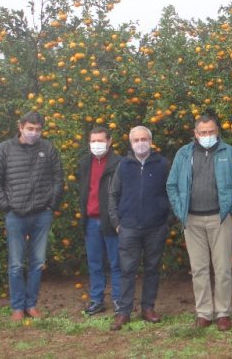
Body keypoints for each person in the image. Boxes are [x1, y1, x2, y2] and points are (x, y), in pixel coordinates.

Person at [167, 114, 232, 331]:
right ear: (195, 134)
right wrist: (180, 211)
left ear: (217, 131)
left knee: (222, 268)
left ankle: (223, 313)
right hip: (192, 220)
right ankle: (204, 312)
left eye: (211, 131)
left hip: (219, 218)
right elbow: (171, 185)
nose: (207, 135)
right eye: (203, 132)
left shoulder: (228, 152)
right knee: (199, 268)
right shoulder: (184, 154)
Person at [0, 111, 64, 322]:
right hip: (16, 215)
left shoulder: (47, 148)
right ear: (20, 127)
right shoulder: (5, 149)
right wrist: (6, 206)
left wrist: (52, 204)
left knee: (38, 262)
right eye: (30, 128)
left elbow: (58, 177)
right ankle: (17, 307)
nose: (34, 133)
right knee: (16, 264)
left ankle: (31, 304)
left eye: (38, 129)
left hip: (42, 214)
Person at [108, 126, 171, 331]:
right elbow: (113, 195)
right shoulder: (123, 165)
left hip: (156, 227)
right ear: (130, 143)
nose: (140, 143)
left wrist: (167, 221)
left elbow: (172, 193)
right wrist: (117, 223)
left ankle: (148, 308)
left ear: (151, 141)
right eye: (136, 140)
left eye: (144, 139)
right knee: (127, 270)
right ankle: (124, 311)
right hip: (128, 228)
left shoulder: (162, 164)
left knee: (152, 269)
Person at [77, 127, 123, 316]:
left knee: (116, 262)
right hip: (90, 220)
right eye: (93, 141)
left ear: (110, 141)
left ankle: (120, 300)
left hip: (111, 220)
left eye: (100, 141)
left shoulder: (119, 163)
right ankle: (97, 300)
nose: (96, 144)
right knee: (94, 263)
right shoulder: (84, 163)